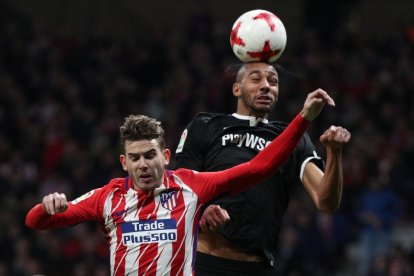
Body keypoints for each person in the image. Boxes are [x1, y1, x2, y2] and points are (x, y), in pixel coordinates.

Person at [25, 89, 335, 276]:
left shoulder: (191, 187)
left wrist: (304, 118)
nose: (143, 164)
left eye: (150, 155)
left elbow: (259, 167)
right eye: (135, 158)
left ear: (166, 156)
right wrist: (46, 207)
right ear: (124, 163)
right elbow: (34, 222)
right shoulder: (108, 197)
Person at [173, 62, 351, 275]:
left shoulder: (292, 138)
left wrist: (334, 152)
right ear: (236, 89)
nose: (266, 86)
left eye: (273, 81)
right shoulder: (206, 125)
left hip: (257, 267)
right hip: (203, 262)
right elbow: (177, 189)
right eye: (256, 79)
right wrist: (200, 209)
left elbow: (326, 202)